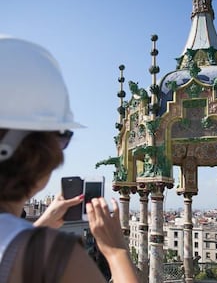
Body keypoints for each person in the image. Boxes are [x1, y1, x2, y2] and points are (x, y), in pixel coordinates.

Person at [0, 36, 140, 282]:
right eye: (62, 136)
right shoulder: (53, 257)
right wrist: (116, 252)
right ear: (40, 148)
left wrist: (41, 224)